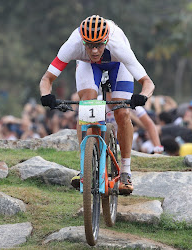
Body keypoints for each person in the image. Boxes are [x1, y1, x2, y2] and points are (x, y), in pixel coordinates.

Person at [39, 15, 155, 194]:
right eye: (89, 45)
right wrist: (46, 95)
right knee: (87, 107)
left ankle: (125, 170)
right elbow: (47, 78)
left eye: (99, 45)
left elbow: (148, 83)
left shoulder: (119, 45)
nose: (94, 51)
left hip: (118, 65)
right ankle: (86, 167)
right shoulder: (73, 44)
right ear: (82, 41)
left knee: (122, 113)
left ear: (107, 40)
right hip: (87, 66)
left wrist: (142, 97)